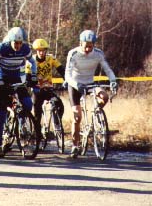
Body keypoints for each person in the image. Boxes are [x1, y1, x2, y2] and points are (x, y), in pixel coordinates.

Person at [65, 30, 117, 158]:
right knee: (77, 117)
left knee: (104, 96)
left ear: (94, 45)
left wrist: (113, 81)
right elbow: (67, 75)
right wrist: (76, 85)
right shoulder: (73, 53)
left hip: (90, 83)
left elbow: (107, 69)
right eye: (85, 46)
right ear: (80, 43)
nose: (88, 49)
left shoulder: (98, 54)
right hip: (75, 85)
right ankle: (75, 146)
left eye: (90, 46)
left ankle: (95, 115)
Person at [0, 27, 38, 158]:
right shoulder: (2, 48)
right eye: (16, 43)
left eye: (20, 43)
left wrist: (33, 75)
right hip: (2, 78)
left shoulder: (25, 49)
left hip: (16, 78)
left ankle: (22, 127)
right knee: (2, 113)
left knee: (27, 104)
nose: (18, 46)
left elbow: (32, 62)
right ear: (10, 41)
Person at [28, 38, 65, 136]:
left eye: (43, 50)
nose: (41, 52)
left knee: (59, 103)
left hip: (48, 89)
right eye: (39, 50)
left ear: (46, 51)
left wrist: (66, 79)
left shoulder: (51, 58)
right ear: (36, 51)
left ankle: (56, 122)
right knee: (37, 113)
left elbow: (61, 69)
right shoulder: (31, 60)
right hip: (37, 90)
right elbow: (27, 76)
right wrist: (31, 83)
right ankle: (37, 135)